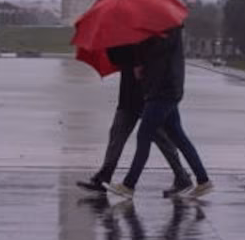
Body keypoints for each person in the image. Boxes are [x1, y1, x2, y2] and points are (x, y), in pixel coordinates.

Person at [108, 26, 212, 199]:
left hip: (162, 92)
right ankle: (203, 180)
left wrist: (141, 58)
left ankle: (129, 185)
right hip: (167, 90)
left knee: (144, 137)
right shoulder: (164, 30)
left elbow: (156, 57)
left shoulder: (166, 30)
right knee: (179, 137)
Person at [77, 44, 192, 196]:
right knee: (116, 137)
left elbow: (156, 60)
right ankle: (104, 177)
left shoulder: (148, 37)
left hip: (148, 98)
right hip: (128, 97)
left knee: (162, 140)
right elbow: (116, 59)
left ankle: (182, 176)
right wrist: (113, 44)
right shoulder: (124, 38)